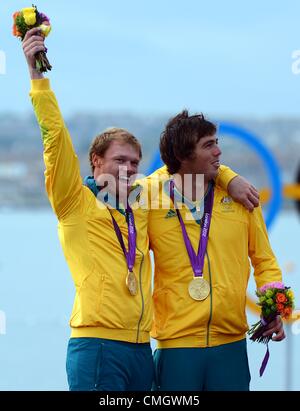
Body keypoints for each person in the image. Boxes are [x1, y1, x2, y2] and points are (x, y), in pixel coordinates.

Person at [22, 28, 259, 391]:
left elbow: (180, 165)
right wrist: (36, 74)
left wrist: (227, 176)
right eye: (119, 160)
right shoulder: (74, 201)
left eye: (135, 163)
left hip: (140, 348)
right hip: (96, 344)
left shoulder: (142, 204)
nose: (129, 169)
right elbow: (55, 137)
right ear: (95, 161)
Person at [148, 110, 285, 391]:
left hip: (230, 345)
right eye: (208, 145)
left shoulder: (242, 198)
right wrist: (227, 174)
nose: (219, 151)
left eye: (216, 142)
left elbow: (264, 260)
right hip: (176, 347)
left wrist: (275, 307)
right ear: (184, 155)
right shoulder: (150, 200)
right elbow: (120, 190)